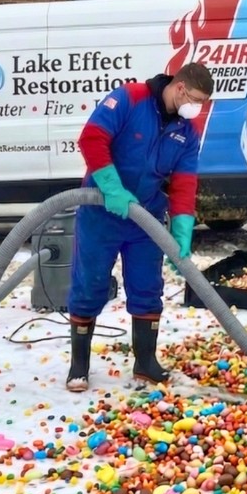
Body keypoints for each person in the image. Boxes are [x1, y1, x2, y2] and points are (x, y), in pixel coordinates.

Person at [66, 61, 214, 391]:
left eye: (203, 103)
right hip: (102, 212)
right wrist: (111, 187)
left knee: (147, 288)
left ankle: (146, 363)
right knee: (89, 284)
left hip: (145, 218)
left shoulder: (187, 132)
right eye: (195, 100)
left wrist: (181, 228)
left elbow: (185, 182)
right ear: (179, 88)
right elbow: (92, 139)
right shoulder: (129, 98)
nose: (197, 108)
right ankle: (79, 365)